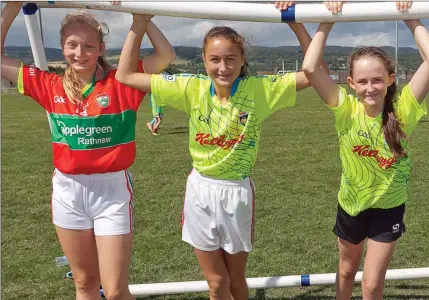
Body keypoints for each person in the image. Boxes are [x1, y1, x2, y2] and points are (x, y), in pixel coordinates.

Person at [114, 2, 333, 298]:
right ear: (204, 61)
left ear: (242, 60)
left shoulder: (259, 91)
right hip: (201, 191)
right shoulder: (190, 87)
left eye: (231, 59)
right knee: (217, 283)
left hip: (237, 193)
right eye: (214, 59)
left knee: (236, 280)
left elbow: (316, 71)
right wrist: (140, 22)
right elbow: (125, 75)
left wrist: (294, 23)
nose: (223, 67)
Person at [1, 3, 176, 300]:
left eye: (88, 46)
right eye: (72, 45)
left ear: (101, 49)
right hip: (68, 192)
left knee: (117, 291)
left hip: (112, 192)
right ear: (61, 47)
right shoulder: (47, 84)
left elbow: (166, 55)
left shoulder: (123, 82)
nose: (79, 53)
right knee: (84, 285)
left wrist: (142, 15)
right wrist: (14, 5)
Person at [302, 2, 429, 299]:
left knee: (371, 282)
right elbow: (311, 68)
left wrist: (408, 16)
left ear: (391, 80)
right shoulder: (346, 109)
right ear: (351, 84)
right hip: (351, 206)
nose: (370, 87)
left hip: (388, 209)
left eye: (377, 79)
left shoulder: (403, 110)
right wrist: (328, 21)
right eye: (362, 81)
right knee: (346, 271)